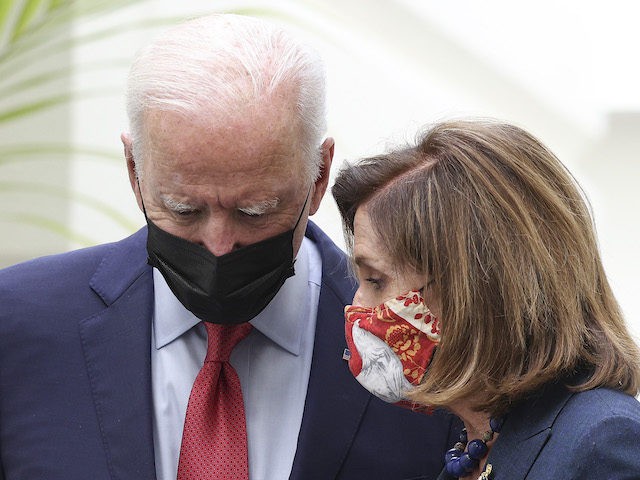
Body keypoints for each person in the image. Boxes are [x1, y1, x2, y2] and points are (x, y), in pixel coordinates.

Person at [0, 14, 462, 480]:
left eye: (256, 211)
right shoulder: (17, 325)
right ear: (134, 170)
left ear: (319, 175)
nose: (219, 247)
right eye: (183, 209)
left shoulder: (437, 340)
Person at [332, 118, 640, 480]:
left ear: (474, 290)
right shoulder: (475, 444)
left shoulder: (602, 443)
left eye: (376, 280)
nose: (358, 304)